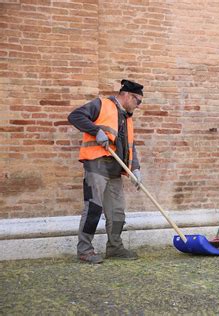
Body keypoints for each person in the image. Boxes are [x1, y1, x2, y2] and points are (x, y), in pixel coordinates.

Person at [68, 79, 144, 263]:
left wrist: (136, 168)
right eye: (137, 101)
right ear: (126, 95)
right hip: (96, 164)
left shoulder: (127, 118)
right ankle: (85, 250)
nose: (138, 105)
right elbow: (75, 116)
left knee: (117, 211)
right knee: (94, 207)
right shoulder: (101, 104)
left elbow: (130, 146)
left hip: (115, 170)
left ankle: (115, 247)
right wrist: (96, 131)